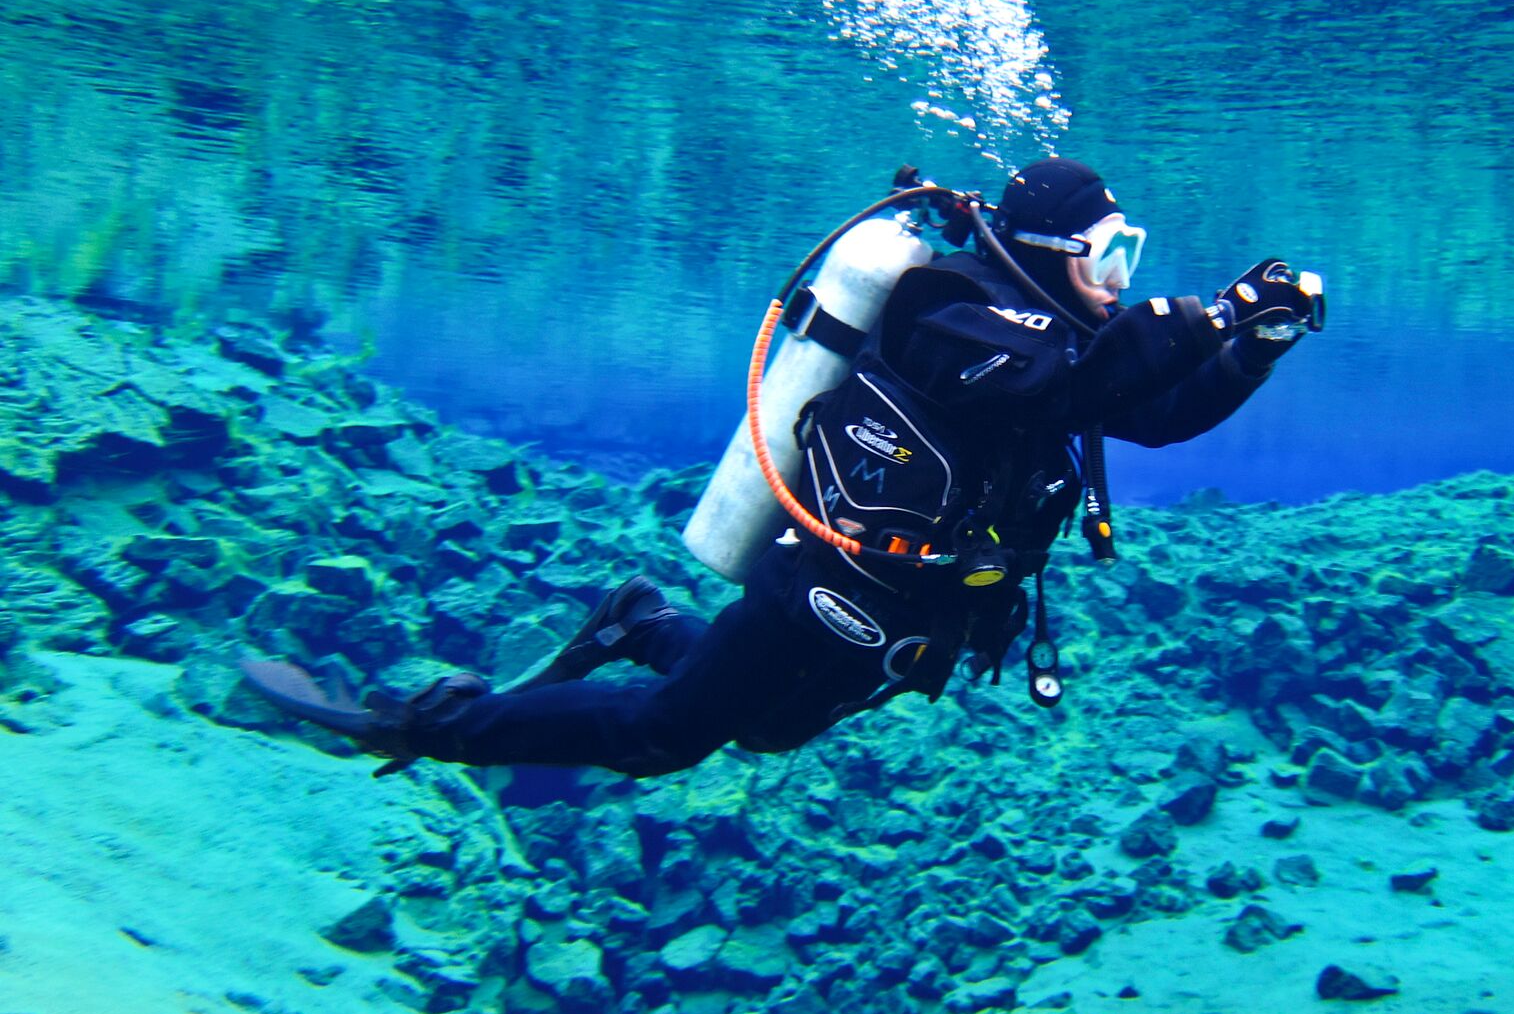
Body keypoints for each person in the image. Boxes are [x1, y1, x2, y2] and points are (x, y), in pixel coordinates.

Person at [244, 157, 1325, 779]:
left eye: (1126, 259)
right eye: (1108, 258)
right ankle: (420, 723)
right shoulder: (939, 306)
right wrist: (1213, 311)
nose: (1117, 282)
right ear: (1050, 255)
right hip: (828, 582)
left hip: (915, 609)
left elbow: (1158, 413)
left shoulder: (1066, 345)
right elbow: (1055, 389)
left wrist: (1254, 346)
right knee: (664, 735)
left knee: (761, 729)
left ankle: (636, 622)